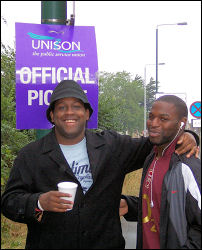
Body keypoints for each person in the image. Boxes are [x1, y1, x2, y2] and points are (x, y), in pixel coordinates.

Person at [1, 81, 199, 249]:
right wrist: (39, 202)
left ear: (87, 113)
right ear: (52, 115)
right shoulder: (32, 155)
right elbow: (9, 202)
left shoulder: (111, 146)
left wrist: (188, 135)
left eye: (77, 106)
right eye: (61, 107)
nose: (70, 112)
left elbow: (157, 140)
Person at [120, 95, 201, 249]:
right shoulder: (152, 157)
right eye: (151, 117)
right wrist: (129, 206)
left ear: (182, 123)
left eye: (163, 119)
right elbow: (159, 202)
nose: (153, 123)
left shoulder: (188, 167)